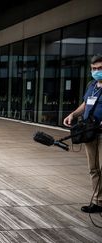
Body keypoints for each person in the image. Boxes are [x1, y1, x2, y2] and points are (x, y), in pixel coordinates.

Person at [63, 54, 102, 213]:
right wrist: (73, 114)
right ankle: (98, 202)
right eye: (94, 69)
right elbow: (86, 104)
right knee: (93, 169)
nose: (97, 71)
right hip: (89, 132)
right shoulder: (92, 85)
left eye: (100, 68)